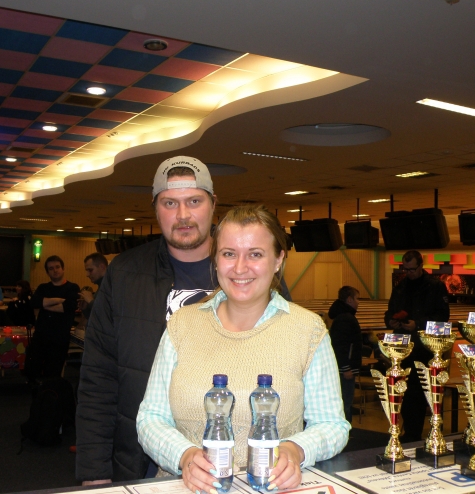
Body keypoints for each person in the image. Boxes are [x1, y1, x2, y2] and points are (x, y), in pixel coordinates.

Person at [76, 156, 292, 484]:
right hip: (144, 463)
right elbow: (98, 377)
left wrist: (295, 449)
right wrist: (94, 471)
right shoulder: (125, 274)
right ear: (155, 208)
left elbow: (292, 367)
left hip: (246, 464)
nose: (183, 215)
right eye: (169, 203)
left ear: (213, 204)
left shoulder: (250, 272)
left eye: (194, 201)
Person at [137, 205, 349, 491]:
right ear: (215, 260)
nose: (239, 268)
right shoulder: (181, 325)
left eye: (255, 254)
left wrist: (295, 450)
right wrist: (184, 456)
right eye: (228, 254)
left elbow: (332, 424)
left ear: (278, 259)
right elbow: (151, 418)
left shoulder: (308, 330)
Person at [383, 250, 450, 442]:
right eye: (406, 269)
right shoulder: (400, 287)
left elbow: (443, 317)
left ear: (421, 266)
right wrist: (390, 321)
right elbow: (390, 311)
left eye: (412, 269)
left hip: (424, 348)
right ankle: (409, 432)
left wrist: (419, 324)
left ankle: (420, 433)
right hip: (403, 347)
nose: (409, 273)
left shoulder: (435, 286)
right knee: (404, 390)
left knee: (420, 392)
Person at [29, 256, 80, 381]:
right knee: (33, 370)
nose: (55, 270)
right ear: (47, 272)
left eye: (57, 267)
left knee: (53, 374)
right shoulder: (42, 287)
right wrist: (59, 300)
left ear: (63, 269)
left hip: (59, 337)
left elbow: (68, 307)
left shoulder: (73, 288)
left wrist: (45, 304)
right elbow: (34, 302)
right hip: (41, 335)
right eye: (51, 268)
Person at [328, 286, 362, 423]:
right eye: (357, 298)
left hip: (344, 368)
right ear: (349, 299)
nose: (358, 302)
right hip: (345, 370)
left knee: (344, 402)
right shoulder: (346, 318)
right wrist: (346, 367)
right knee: (345, 403)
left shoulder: (343, 316)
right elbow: (340, 345)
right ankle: (345, 431)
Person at [81, 253, 108, 322]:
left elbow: (107, 315)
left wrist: (91, 301)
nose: (87, 274)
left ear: (102, 267)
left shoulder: (112, 287)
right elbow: (94, 318)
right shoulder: (101, 286)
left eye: (90, 270)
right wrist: (85, 308)